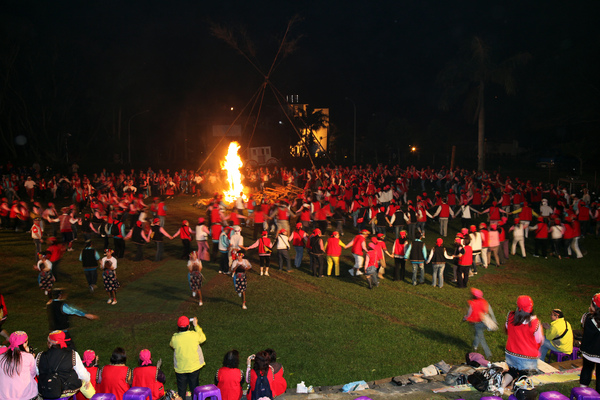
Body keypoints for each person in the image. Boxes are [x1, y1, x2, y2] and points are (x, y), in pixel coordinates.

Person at [36, 330, 91, 399]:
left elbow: (37, 372)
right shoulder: (72, 354)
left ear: (49, 343)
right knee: (85, 379)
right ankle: (94, 397)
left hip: (47, 389)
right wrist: (87, 380)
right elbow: (82, 373)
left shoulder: (40, 355)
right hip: (66, 389)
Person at [504, 295, 543, 375]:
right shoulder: (535, 323)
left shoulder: (510, 316)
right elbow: (539, 340)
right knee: (524, 379)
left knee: (512, 373)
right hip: (527, 357)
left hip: (511, 353)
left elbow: (507, 329)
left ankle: (504, 386)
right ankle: (518, 386)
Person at [170, 315, 206, 399]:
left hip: (180, 369)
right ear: (189, 326)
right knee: (194, 388)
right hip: (194, 367)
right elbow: (203, 338)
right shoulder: (194, 335)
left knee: (181, 390)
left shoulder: (175, 338)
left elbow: (172, 345)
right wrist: (196, 326)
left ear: (178, 327)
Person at [0, 331, 37, 400]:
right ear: (25, 343)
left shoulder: (1, 357)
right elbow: (33, 374)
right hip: (26, 395)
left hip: (4, 396)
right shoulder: (28, 357)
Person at [464, 288, 495, 358]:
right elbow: (486, 311)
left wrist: (465, 318)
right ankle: (475, 346)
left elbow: (469, 312)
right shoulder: (484, 302)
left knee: (480, 336)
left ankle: (487, 353)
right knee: (478, 334)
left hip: (476, 322)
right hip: (483, 321)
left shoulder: (471, 303)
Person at [579, 293, 600, 392]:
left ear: (593, 305)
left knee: (587, 369)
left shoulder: (586, 316)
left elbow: (583, 325)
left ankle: (583, 389)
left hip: (588, 351)